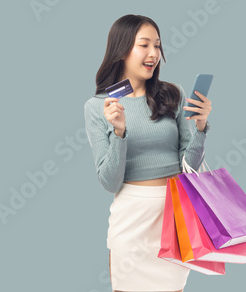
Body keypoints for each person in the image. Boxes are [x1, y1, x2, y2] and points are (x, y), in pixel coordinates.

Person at [83, 14, 212, 292]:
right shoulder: (98, 107)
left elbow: (188, 166)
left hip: (175, 214)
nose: (154, 53)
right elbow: (109, 183)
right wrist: (119, 133)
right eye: (144, 45)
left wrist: (201, 128)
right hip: (131, 218)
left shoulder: (172, 94)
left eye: (157, 45)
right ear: (122, 50)